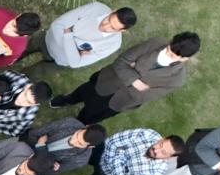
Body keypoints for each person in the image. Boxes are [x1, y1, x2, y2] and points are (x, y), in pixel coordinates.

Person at [54, 30, 198, 120]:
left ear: (184, 59)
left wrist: (131, 69)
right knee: (81, 93)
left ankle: (77, 124)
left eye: (173, 56)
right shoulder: (155, 43)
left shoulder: (177, 79)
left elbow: (144, 96)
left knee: (89, 116)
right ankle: (67, 100)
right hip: (107, 80)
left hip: (120, 100)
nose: (167, 54)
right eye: (168, 49)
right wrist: (136, 81)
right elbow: (121, 61)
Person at [43, 2, 135, 71]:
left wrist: (68, 32)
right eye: (108, 20)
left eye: (112, 28)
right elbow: (57, 25)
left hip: (57, 62)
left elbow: (76, 63)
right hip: (45, 39)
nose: (105, 26)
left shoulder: (113, 45)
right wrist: (75, 52)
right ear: (113, 11)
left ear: (122, 31)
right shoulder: (96, 7)